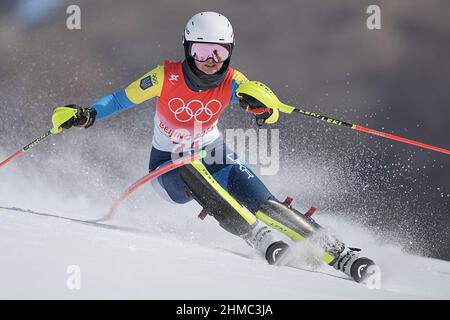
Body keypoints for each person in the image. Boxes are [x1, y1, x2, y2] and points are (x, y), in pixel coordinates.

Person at [52, 12, 378, 283]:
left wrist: (263, 109)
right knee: (188, 164)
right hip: (167, 166)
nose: (209, 61)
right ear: (188, 49)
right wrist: (88, 114)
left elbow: (268, 107)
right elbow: (120, 99)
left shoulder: (232, 81)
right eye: (201, 51)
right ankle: (256, 234)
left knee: (263, 202)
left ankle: (340, 254)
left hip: (213, 152)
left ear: (229, 52)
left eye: (218, 53)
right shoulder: (166, 76)